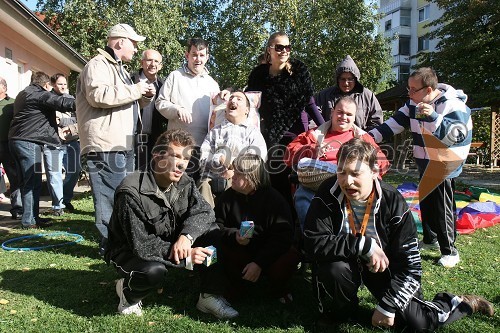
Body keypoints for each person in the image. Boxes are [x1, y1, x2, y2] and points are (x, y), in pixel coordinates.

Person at [303, 138, 493, 331]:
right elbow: (312, 243)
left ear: (374, 172)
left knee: (418, 323)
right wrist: (364, 245)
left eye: (355, 173)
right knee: (333, 269)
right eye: (341, 172)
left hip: (382, 267)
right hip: (346, 262)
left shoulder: (393, 201)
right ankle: (339, 311)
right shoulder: (327, 192)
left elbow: (411, 267)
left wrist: (388, 305)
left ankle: (460, 302)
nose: (347, 181)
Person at [105, 129, 238, 319]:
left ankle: (209, 295)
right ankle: (127, 293)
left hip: (169, 240)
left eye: (186, 158)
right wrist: (187, 255)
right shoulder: (131, 191)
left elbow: (205, 211)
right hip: (128, 250)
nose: (182, 164)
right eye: (176, 156)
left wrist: (187, 237)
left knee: (213, 233)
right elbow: (141, 244)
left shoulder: (185, 182)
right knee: (153, 271)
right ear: (157, 156)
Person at [369, 67, 472, 268]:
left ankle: (450, 251)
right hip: (425, 162)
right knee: (426, 200)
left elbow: (456, 136)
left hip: (445, 163)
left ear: (429, 89)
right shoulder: (413, 104)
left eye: (413, 89)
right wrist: (369, 137)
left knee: (442, 207)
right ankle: (429, 239)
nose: (409, 93)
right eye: (409, 88)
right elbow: (393, 124)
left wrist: (434, 117)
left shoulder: (452, 105)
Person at [76, 23, 153, 253]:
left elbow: (125, 100)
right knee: (108, 197)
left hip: (121, 143)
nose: (136, 49)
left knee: (122, 195)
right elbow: (98, 95)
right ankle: (110, 247)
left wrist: (145, 97)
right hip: (105, 145)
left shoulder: (119, 69)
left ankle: (118, 244)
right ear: (120, 42)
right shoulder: (97, 65)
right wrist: (137, 90)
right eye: (134, 43)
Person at [245, 31, 324, 208]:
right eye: (279, 47)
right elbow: (249, 104)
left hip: (299, 137)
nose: (284, 51)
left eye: (287, 47)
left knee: (302, 185)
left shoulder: (299, 72)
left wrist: (327, 127)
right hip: (271, 137)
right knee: (276, 185)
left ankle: (301, 227)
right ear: (269, 50)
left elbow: (310, 105)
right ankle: (281, 225)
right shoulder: (259, 75)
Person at [285, 96, 389, 229]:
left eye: (349, 114)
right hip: (316, 185)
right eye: (340, 112)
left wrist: (368, 174)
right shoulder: (314, 134)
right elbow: (287, 156)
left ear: (354, 117)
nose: (343, 117)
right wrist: (310, 150)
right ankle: (313, 239)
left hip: (350, 186)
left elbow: (382, 163)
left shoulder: (363, 137)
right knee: (302, 194)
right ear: (332, 112)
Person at [215, 154, 300, 304]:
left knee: (289, 256)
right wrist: (234, 236)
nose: (232, 176)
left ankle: (278, 288)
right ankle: (235, 286)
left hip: (268, 252)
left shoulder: (275, 200)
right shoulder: (227, 197)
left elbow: (283, 237)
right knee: (218, 249)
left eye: (237, 173)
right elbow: (215, 226)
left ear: (251, 177)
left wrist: (259, 263)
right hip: (240, 250)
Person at [156, 37, 230, 181]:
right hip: (178, 146)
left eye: (202, 55)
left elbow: (218, 114)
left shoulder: (212, 83)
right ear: (187, 55)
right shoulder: (175, 76)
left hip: (203, 147)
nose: (198, 59)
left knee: (197, 189)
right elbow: (160, 103)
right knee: (175, 186)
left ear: (207, 57)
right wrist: (177, 109)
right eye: (194, 54)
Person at [9, 71, 75, 229]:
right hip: (29, 141)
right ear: (46, 85)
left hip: (17, 140)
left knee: (27, 181)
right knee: (32, 181)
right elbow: (60, 102)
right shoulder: (39, 94)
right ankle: (29, 221)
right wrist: (83, 102)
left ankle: (33, 217)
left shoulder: (22, 94)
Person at [198, 91, 267, 207]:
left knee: (241, 184)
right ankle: (207, 220)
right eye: (231, 98)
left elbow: (257, 160)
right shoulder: (214, 132)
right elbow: (203, 156)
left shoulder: (253, 134)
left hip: (240, 178)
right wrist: (217, 159)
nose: (233, 100)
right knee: (203, 183)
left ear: (247, 110)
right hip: (213, 177)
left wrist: (234, 168)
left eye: (239, 99)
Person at [315, 55, 383, 131]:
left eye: (350, 79)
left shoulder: (368, 96)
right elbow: (312, 120)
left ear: (356, 79)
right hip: (329, 140)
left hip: (359, 140)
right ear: (337, 79)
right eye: (342, 79)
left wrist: (364, 138)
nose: (346, 83)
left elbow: (377, 123)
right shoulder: (324, 95)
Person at [131, 49, 167, 171]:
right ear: (142, 62)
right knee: (130, 172)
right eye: (149, 60)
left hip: (155, 138)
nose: (153, 64)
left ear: (160, 66)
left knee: (152, 172)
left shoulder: (164, 86)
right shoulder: (130, 80)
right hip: (132, 136)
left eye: (156, 61)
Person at [51, 73, 80, 212]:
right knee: (55, 174)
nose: (62, 86)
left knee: (74, 171)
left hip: (71, 141)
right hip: (53, 142)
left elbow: (78, 120)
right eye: (59, 84)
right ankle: (58, 204)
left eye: (64, 84)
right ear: (52, 84)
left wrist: (62, 121)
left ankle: (66, 198)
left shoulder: (71, 100)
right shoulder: (47, 98)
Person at [0, 76, 22, 219]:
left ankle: (17, 208)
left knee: (14, 177)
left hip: (7, 145)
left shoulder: (13, 103)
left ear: (4, 88)